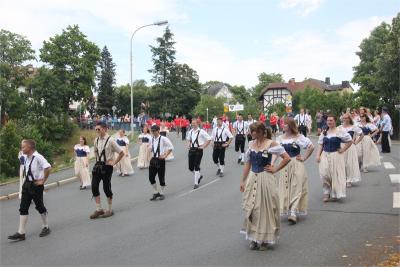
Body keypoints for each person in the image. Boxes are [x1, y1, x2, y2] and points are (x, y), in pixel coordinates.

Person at [240, 122, 291, 250]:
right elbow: (248, 163)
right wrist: (243, 180)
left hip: (266, 177)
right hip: (253, 177)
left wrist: (275, 169)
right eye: (251, 131)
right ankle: (253, 237)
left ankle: (264, 239)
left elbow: (287, 158)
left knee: (265, 208)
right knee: (252, 207)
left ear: (262, 132)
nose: (252, 133)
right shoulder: (251, 144)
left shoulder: (271, 144)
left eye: (254, 131)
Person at [8, 139, 52, 241]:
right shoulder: (25, 157)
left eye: (23, 147)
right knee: (23, 207)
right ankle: (21, 232)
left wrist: (43, 181)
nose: (21, 149)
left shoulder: (38, 157)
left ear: (30, 148)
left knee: (39, 206)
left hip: (36, 185)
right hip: (27, 184)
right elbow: (22, 163)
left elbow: (48, 167)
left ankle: (46, 226)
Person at [276, 117, 314, 224]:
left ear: (291, 125)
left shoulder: (299, 137)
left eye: (285, 124)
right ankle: (287, 208)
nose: (283, 125)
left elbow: (311, 147)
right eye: (283, 123)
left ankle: (293, 212)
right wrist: (273, 164)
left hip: (297, 164)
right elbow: (276, 153)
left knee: (297, 187)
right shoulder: (279, 139)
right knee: (285, 187)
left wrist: (304, 158)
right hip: (284, 165)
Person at [90, 122, 124, 219]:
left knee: (106, 188)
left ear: (105, 129)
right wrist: (97, 162)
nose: (97, 131)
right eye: (96, 129)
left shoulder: (111, 140)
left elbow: (121, 153)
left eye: (99, 129)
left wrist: (114, 162)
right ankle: (99, 209)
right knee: (94, 187)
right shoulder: (96, 140)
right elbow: (96, 153)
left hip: (107, 167)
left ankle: (109, 209)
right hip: (98, 166)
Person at [316, 115, 352, 202]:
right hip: (325, 154)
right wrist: (318, 155)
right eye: (328, 120)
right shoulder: (324, 132)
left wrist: (343, 149)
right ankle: (326, 192)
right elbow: (321, 144)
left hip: (336, 155)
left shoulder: (340, 131)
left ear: (335, 121)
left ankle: (335, 192)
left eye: (331, 120)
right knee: (324, 174)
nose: (329, 122)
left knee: (335, 174)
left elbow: (350, 141)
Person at [148, 125, 174, 200]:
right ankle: (156, 192)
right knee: (151, 177)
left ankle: (162, 193)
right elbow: (150, 147)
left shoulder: (163, 139)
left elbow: (171, 147)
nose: (153, 132)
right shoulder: (151, 139)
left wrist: (165, 155)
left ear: (158, 131)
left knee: (161, 177)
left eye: (154, 131)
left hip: (160, 160)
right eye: (152, 131)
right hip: (153, 159)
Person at [338, 114, 363, 187]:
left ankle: (349, 180)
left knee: (349, 164)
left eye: (346, 118)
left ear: (349, 119)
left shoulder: (353, 127)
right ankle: (343, 179)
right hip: (341, 145)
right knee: (342, 163)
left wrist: (356, 142)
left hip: (350, 147)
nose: (345, 119)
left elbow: (362, 135)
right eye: (344, 118)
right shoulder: (339, 127)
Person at [187, 119, 211, 189]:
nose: (193, 124)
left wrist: (204, 146)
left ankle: (196, 183)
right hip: (191, 150)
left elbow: (209, 139)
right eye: (192, 123)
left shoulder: (201, 131)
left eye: (194, 123)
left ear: (197, 124)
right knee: (190, 168)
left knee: (196, 166)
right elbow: (188, 139)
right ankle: (199, 176)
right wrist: (188, 144)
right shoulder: (190, 132)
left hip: (198, 150)